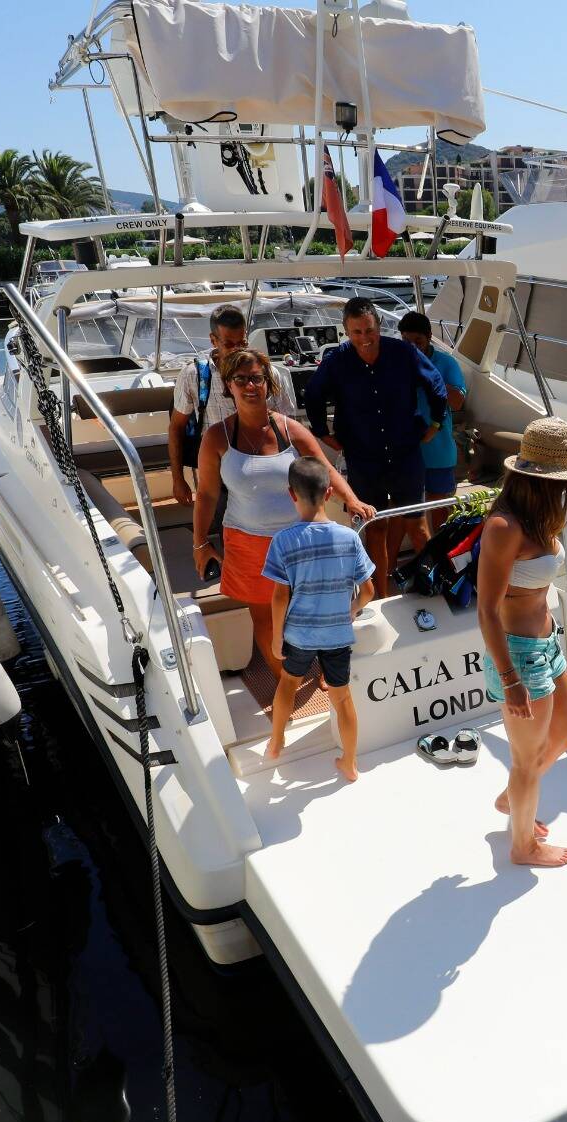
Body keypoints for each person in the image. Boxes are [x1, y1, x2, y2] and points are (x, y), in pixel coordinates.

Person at [192, 347, 372, 684]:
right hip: (246, 543)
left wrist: (352, 499)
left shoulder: (290, 430)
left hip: (299, 540)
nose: (249, 385)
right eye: (241, 379)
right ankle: (287, 680)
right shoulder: (216, 437)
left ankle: (322, 671)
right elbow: (206, 494)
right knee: (266, 620)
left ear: (268, 384)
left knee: (313, 610)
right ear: (228, 385)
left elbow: (324, 467)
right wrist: (199, 543)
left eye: (256, 378)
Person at [478, 418, 567, 868]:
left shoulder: (539, 516)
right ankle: (522, 845)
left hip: (547, 643)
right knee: (526, 761)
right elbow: (487, 609)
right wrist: (509, 679)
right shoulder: (504, 527)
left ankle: (514, 799)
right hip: (520, 657)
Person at [303, 297, 448, 601]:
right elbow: (313, 395)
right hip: (363, 457)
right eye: (357, 332)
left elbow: (436, 384)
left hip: (405, 452)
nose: (364, 339)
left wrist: (436, 423)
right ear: (347, 332)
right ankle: (381, 597)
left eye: (369, 331)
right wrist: (323, 433)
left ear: (378, 327)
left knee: (418, 527)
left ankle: (438, 589)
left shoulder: (403, 352)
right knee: (376, 528)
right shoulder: (337, 361)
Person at [264, 456, 375, 781]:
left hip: (298, 635)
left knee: (288, 684)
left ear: (291, 494)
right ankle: (350, 762)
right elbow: (367, 591)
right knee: (342, 699)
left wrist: (275, 637)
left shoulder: (283, 542)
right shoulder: (349, 538)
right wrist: (350, 612)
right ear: (329, 494)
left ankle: (276, 740)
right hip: (337, 635)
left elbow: (280, 596)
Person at [168, 306, 248, 508]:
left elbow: (285, 422)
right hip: (216, 471)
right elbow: (176, 427)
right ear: (213, 340)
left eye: (242, 343)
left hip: (257, 466)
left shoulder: (265, 373)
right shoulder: (192, 375)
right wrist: (178, 479)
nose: (237, 351)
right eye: (229, 344)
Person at [398, 311, 469, 535]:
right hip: (406, 451)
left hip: (438, 451)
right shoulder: (396, 362)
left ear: (429, 336)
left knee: (438, 508)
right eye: (406, 342)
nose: (413, 347)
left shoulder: (446, 363)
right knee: (405, 509)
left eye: (418, 341)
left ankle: (439, 559)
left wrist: (431, 374)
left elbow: (457, 402)